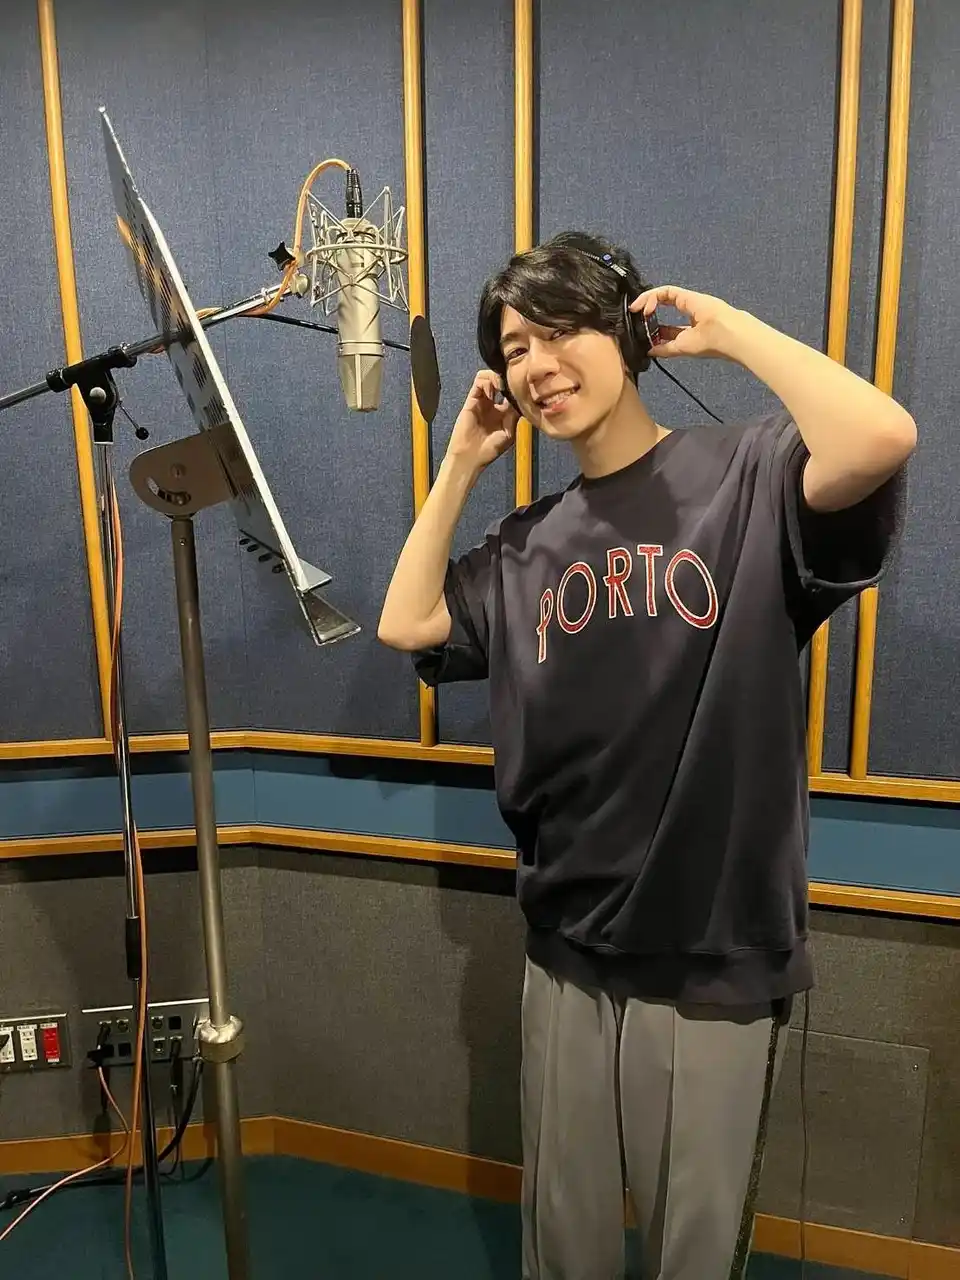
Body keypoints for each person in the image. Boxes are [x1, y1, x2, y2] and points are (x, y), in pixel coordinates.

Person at [377, 231, 916, 1280]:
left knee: (691, 1253)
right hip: (564, 943)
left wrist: (729, 332)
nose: (537, 365)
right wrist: (461, 462)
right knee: (564, 1245)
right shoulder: (527, 541)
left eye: (561, 330)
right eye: (514, 347)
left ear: (628, 334)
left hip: (710, 946)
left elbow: (881, 435)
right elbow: (409, 622)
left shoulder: (748, 474)